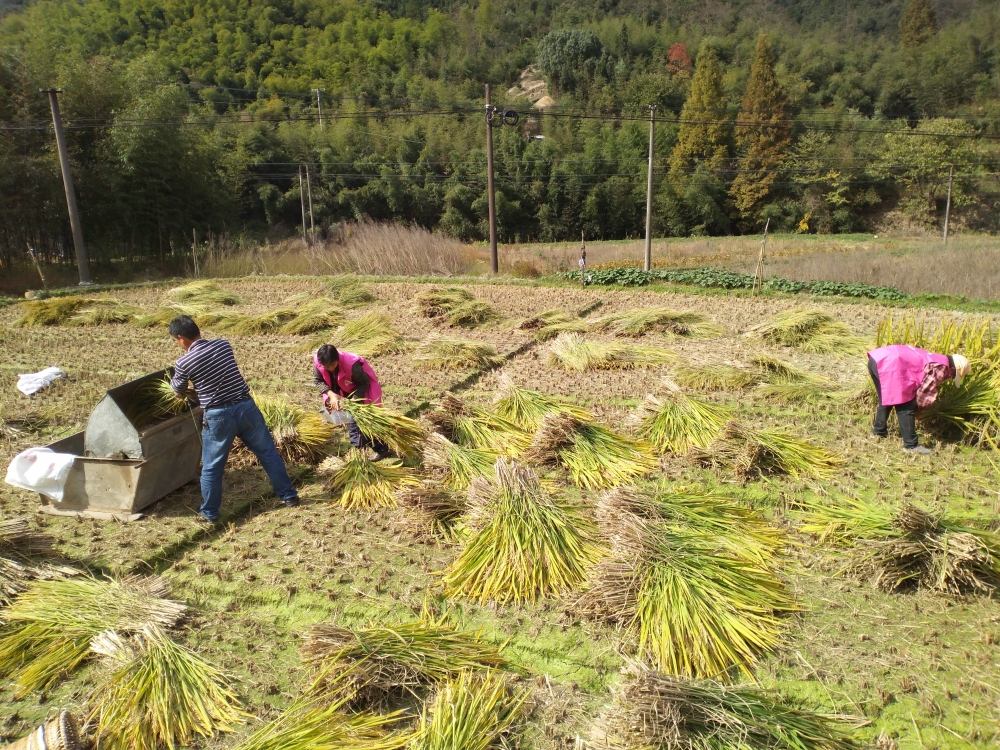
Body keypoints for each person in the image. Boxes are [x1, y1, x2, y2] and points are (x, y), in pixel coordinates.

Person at [168, 315, 299, 522]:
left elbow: (177, 391)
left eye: (176, 341)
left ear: (181, 338)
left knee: (212, 466)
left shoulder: (184, 362)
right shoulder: (223, 345)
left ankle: (210, 512)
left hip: (218, 417)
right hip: (246, 408)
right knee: (268, 453)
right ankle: (289, 496)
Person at [867, 344, 971, 455]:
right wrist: (918, 409)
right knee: (906, 405)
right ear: (953, 369)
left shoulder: (936, 358)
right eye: (954, 375)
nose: (950, 377)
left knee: (887, 397)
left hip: (877, 359)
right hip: (891, 363)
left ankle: (878, 432)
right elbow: (924, 392)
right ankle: (911, 445)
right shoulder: (942, 367)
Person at [313, 344, 391, 460]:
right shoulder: (319, 363)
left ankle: (359, 457)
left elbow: (364, 383)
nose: (330, 368)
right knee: (364, 423)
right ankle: (382, 449)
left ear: (337, 360)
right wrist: (332, 395)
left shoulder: (352, 365)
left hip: (363, 389)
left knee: (359, 425)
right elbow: (318, 381)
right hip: (344, 388)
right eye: (326, 366)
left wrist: (354, 400)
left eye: (332, 365)